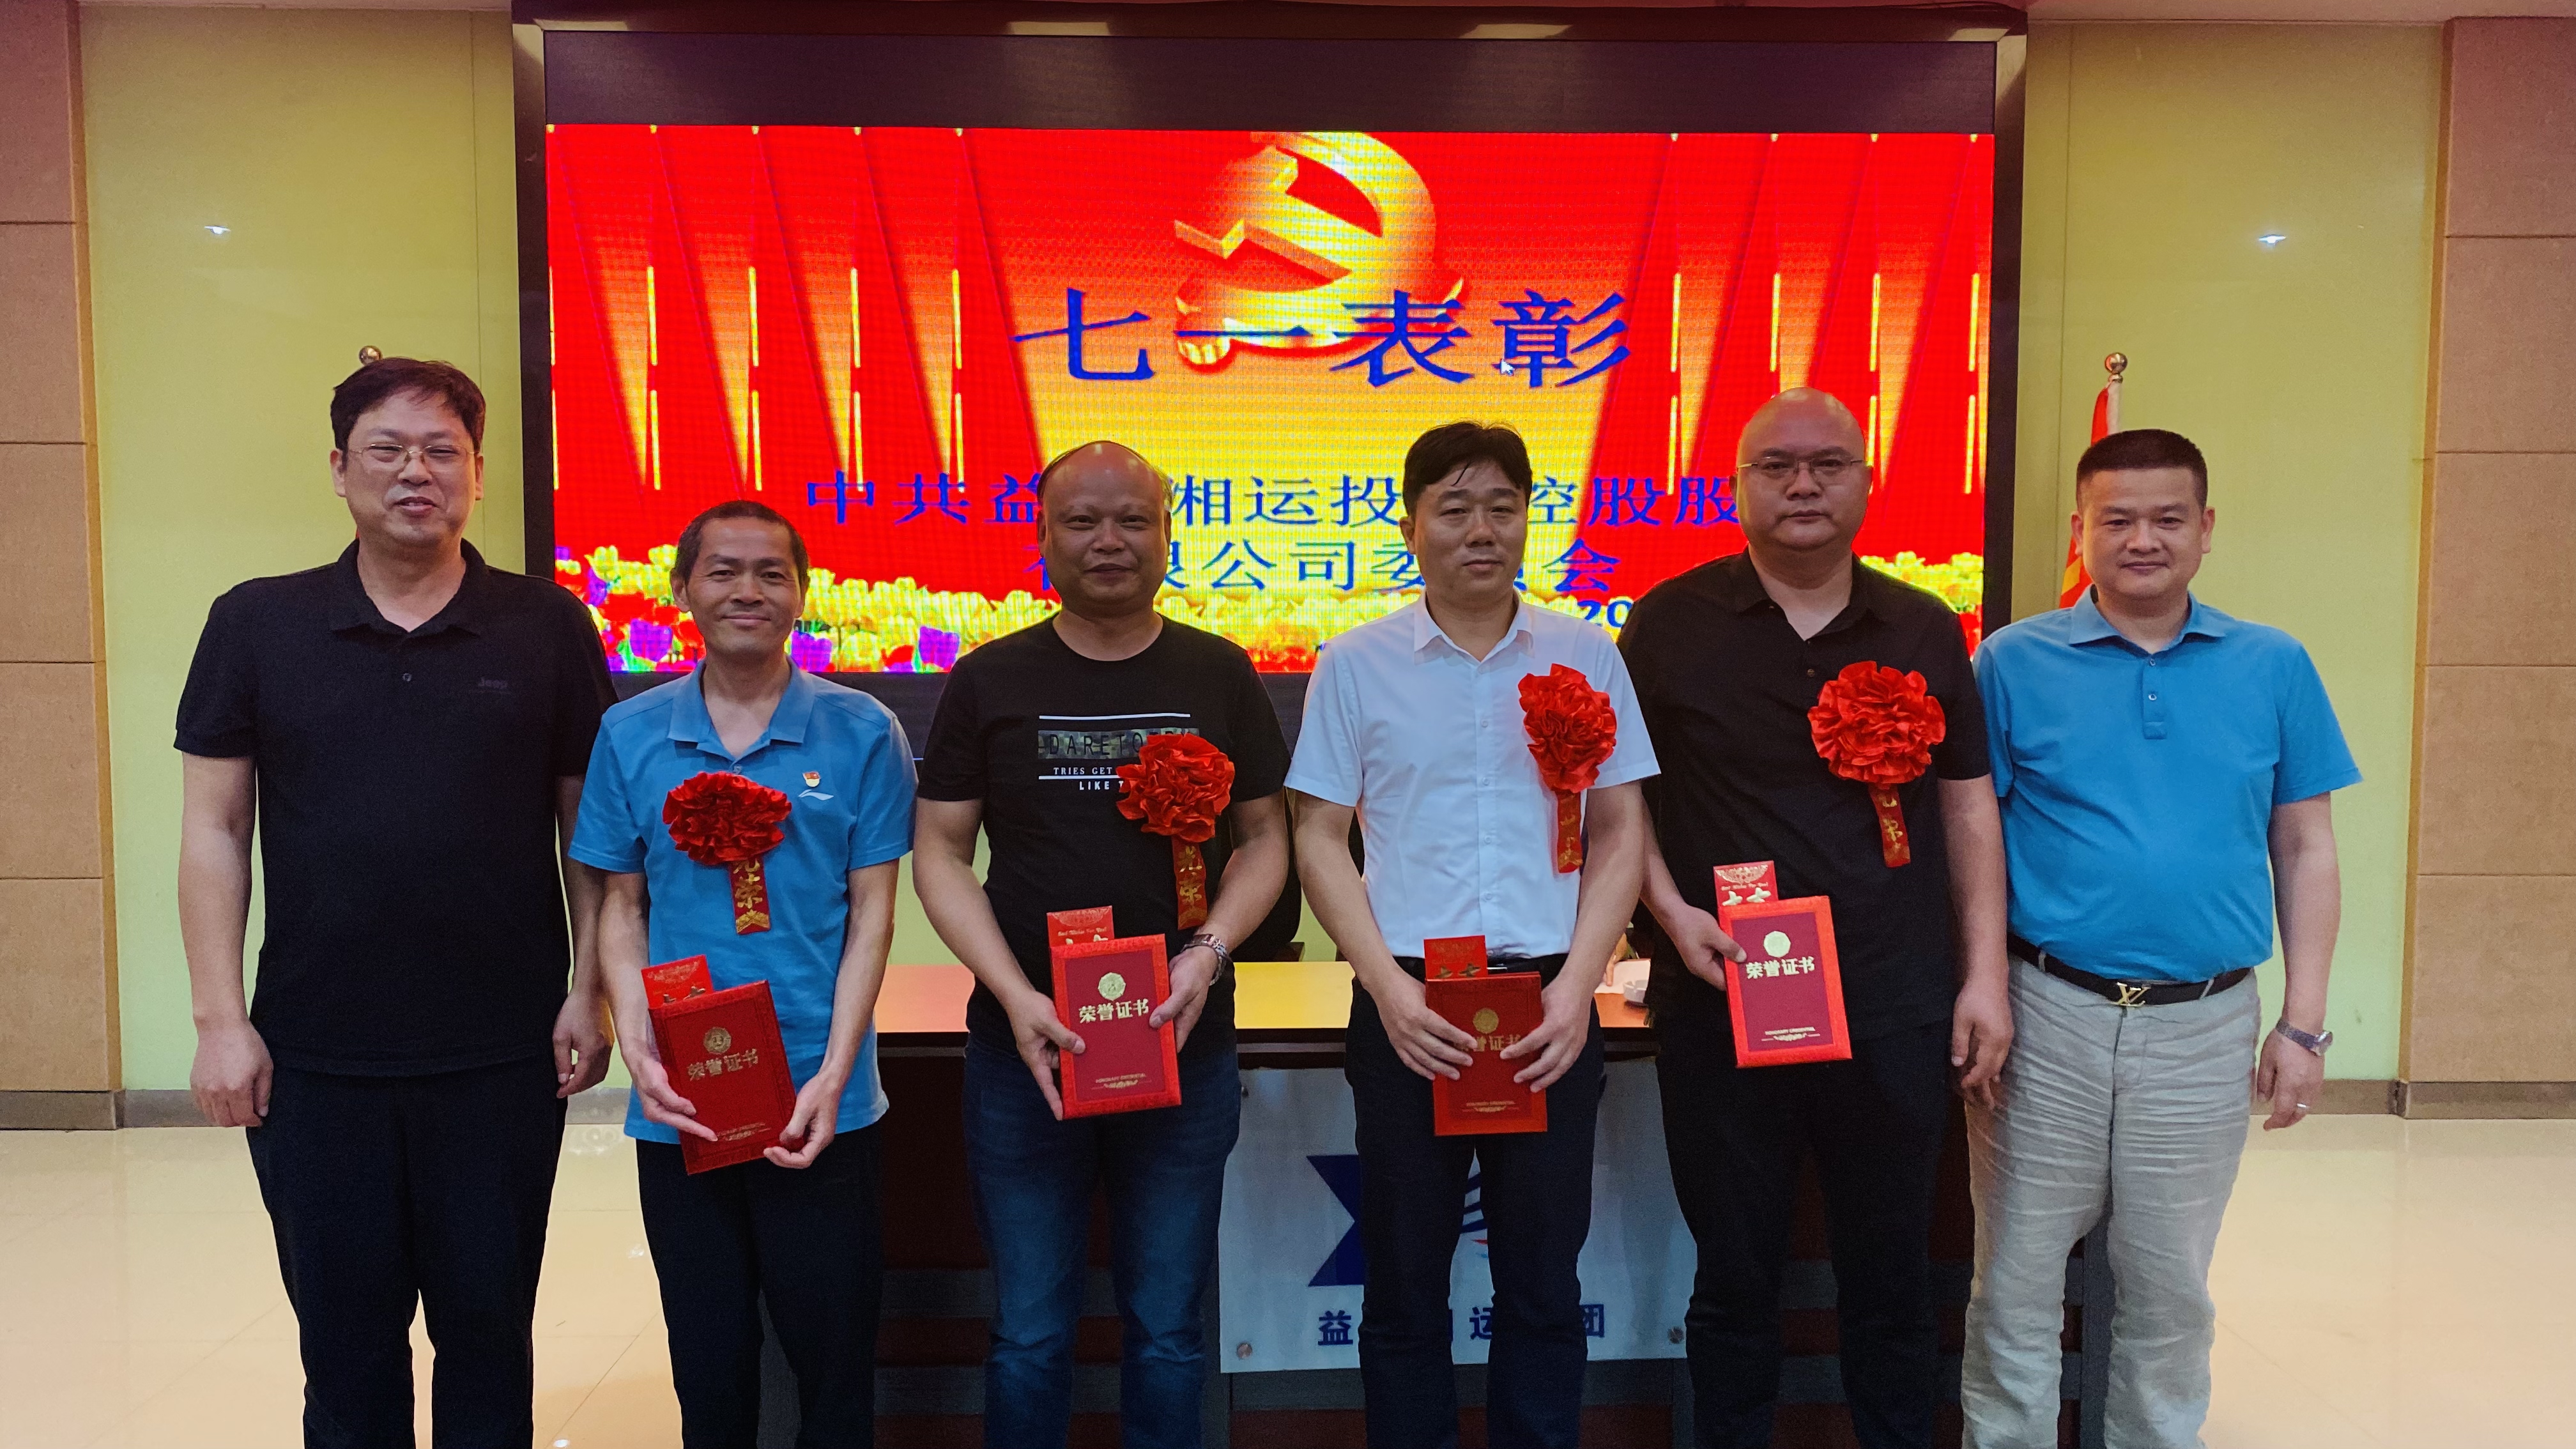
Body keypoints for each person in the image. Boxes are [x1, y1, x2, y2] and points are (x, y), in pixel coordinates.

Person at [175, 356, 615, 1448]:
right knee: (345, 1348)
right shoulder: (257, 622)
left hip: (502, 1052)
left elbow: (593, 835)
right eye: (388, 449)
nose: (416, 472)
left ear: (477, 473)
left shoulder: (547, 624)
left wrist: (591, 990)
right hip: (316, 1055)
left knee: (488, 1337)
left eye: (441, 452)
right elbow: (215, 829)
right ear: (340, 468)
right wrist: (221, 1022)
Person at [1618, 387, 2011, 1449]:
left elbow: (1967, 807)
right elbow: (1619, 801)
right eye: (1777, 466)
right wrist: (1668, 913)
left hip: (1893, 1003)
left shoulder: (1923, 625)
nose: (1804, 485)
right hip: (1720, 999)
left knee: (1891, 1276)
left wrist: (1984, 976)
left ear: (1866, 482)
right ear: (1737, 485)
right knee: (1734, 1277)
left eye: (1829, 464)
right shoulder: (1667, 622)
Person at [1961, 429, 2356, 1449]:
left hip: (2204, 1022)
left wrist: (2303, 1026)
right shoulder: (2011, 662)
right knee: (2014, 1278)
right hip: (2048, 1009)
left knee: (2170, 1287)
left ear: (2207, 529)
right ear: (2080, 531)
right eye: (2119, 520)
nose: (2144, 540)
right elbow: (1976, 836)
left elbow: (2306, 847)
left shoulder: (2273, 664)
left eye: (2169, 519)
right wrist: (1984, 983)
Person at [912, 441, 1291, 1449]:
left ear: (1168, 535)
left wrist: (1210, 950)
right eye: (1082, 521)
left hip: (1182, 1044)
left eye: (1134, 520)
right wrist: (1014, 994)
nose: (1109, 541)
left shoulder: (1218, 671)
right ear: (1043, 538)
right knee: (1029, 1332)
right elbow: (940, 854)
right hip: (1023, 1050)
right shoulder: (989, 678)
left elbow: (1266, 839)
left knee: (1167, 1329)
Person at [1288, 421, 1657, 1449]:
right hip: (1410, 1004)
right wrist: (1387, 992)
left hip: (1549, 1006)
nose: (1481, 530)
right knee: (1404, 1281)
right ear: (1411, 527)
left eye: (1502, 507)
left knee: (1543, 1279)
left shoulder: (1585, 652)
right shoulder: (1354, 665)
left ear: (1530, 522)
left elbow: (1623, 829)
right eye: (1454, 509)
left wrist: (1579, 986)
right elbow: (1317, 836)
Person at [572, 500, 915, 1447]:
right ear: (683, 589)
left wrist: (837, 1071)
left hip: (821, 1099)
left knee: (833, 1361)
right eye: (723, 571)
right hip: (682, 1099)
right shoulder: (631, 731)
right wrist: (639, 1049)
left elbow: (873, 914)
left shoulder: (863, 729)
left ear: (802, 595)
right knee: (708, 1359)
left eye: (772, 573)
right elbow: (622, 906)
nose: (747, 591)